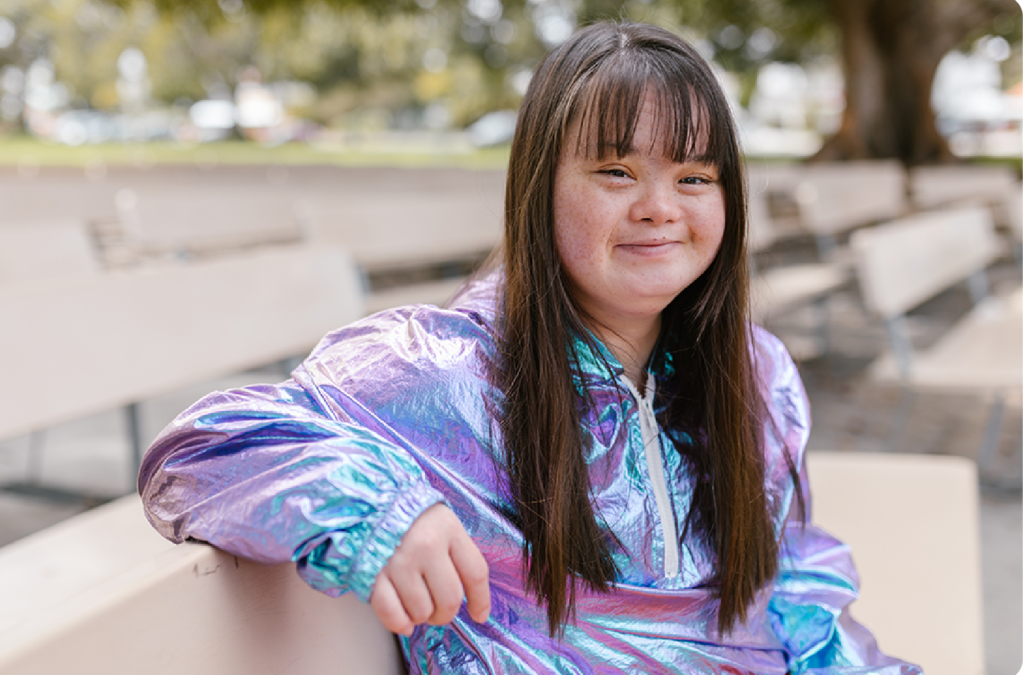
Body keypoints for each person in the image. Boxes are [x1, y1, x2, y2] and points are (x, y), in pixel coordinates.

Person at [139, 21, 920, 674]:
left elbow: (788, 592)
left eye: (694, 177)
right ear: (539, 185)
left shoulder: (757, 373)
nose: (660, 208)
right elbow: (199, 450)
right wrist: (379, 513)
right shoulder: (442, 368)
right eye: (616, 170)